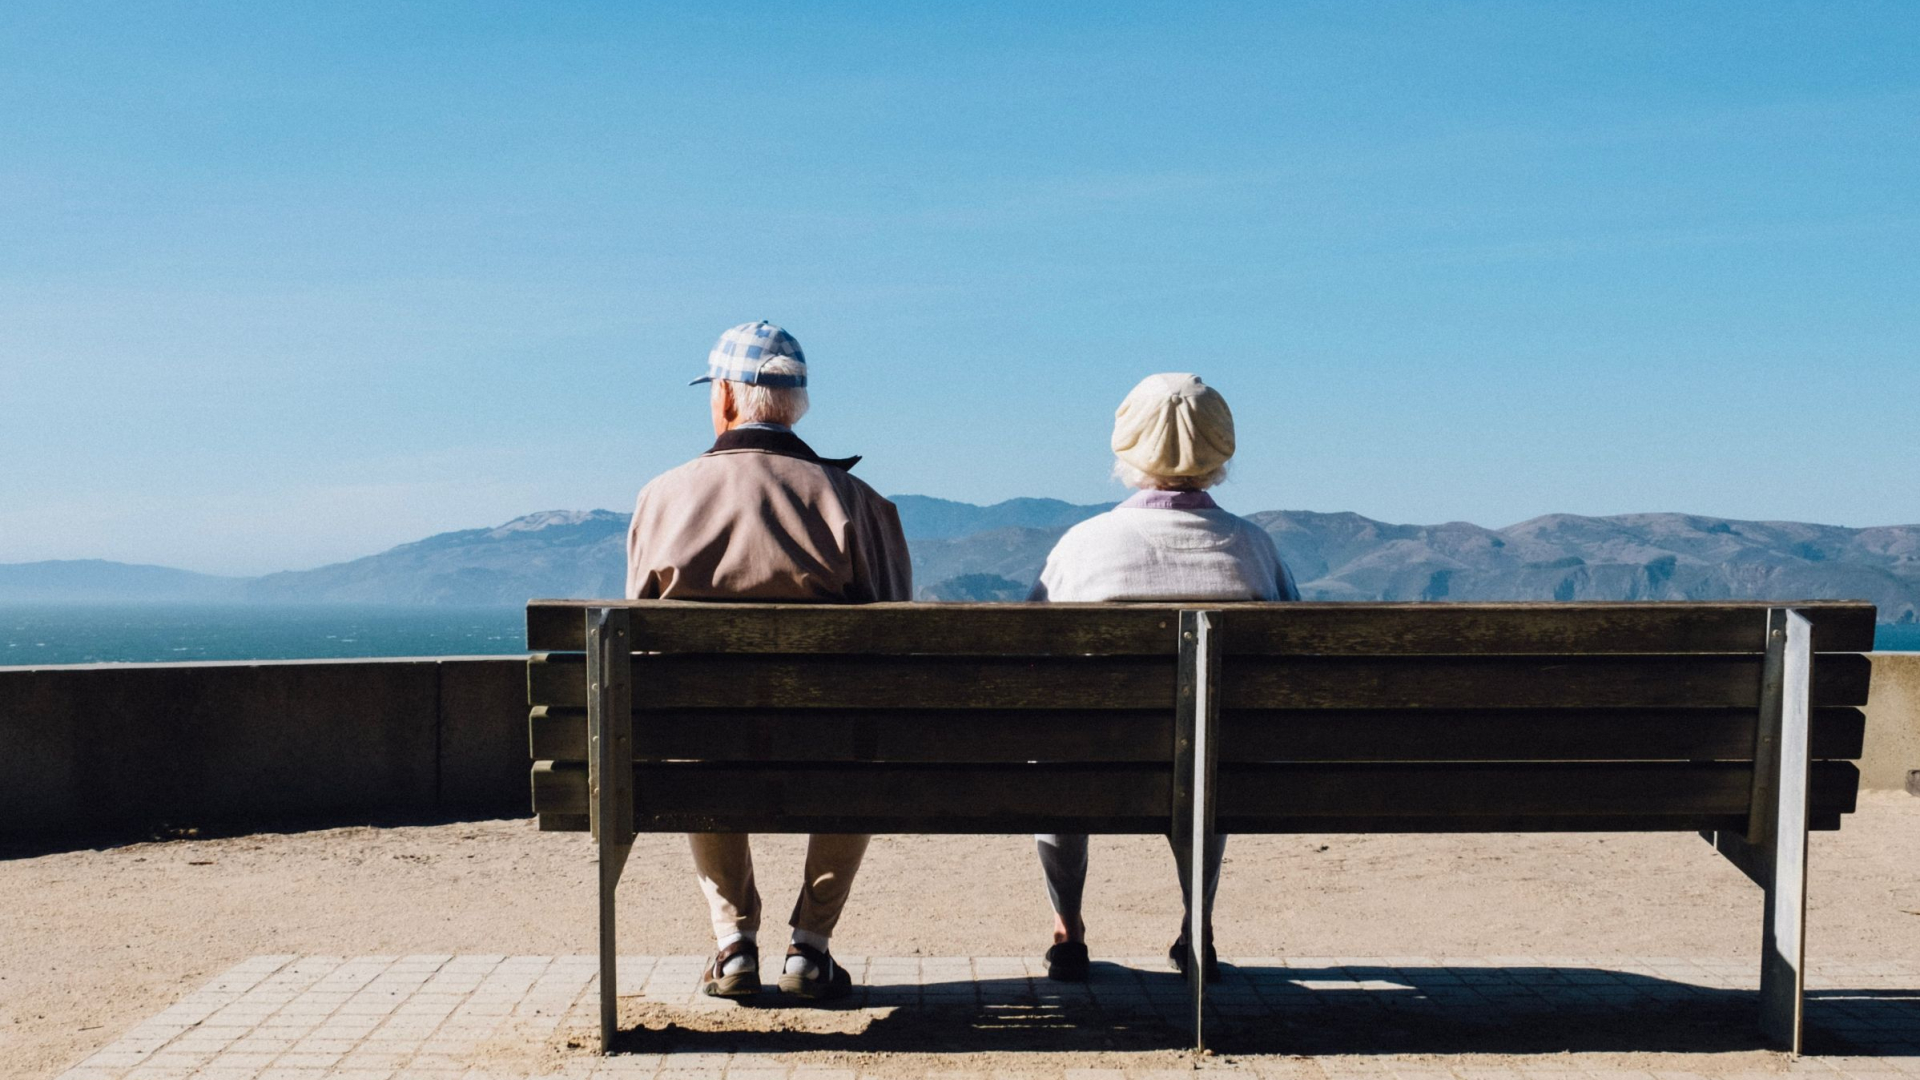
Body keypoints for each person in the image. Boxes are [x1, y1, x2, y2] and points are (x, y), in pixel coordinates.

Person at [626, 321, 912, 1001]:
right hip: (832, 748)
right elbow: (902, 646)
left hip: (707, 748)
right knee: (862, 743)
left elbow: (636, 646)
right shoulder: (859, 506)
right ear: (797, 405)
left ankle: (733, 945)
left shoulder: (663, 497)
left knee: (692, 738)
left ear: (725, 398)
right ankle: (810, 947)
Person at [1029, 372, 1299, 984]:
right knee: (1205, 759)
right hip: (1219, 767)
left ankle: (1068, 930)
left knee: (1058, 760)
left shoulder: (1083, 547)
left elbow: (1033, 664)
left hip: (1096, 764)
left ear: (1126, 449)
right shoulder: (1255, 549)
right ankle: (1195, 925)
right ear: (1221, 450)